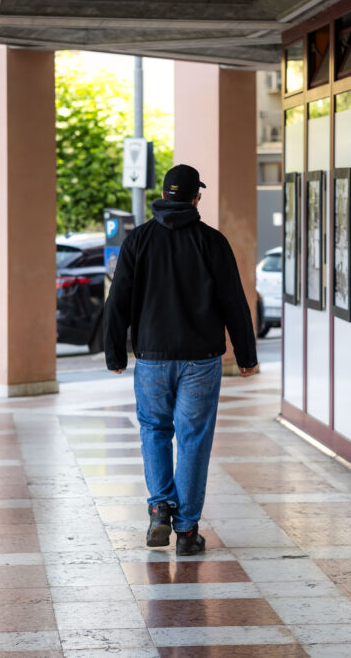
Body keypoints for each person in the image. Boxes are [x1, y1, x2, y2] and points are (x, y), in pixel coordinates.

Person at [103, 164, 259, 556]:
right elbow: (234, 303)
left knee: (154, 430)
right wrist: (246, 355)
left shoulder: (138, 240)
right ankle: (187, 532)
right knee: (193, 439)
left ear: (164, 196)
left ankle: (159, 508)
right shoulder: (212, 241)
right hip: (201, 359)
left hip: (153, 358)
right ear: (196, 198)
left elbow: (117, 300)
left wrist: (114, 353)